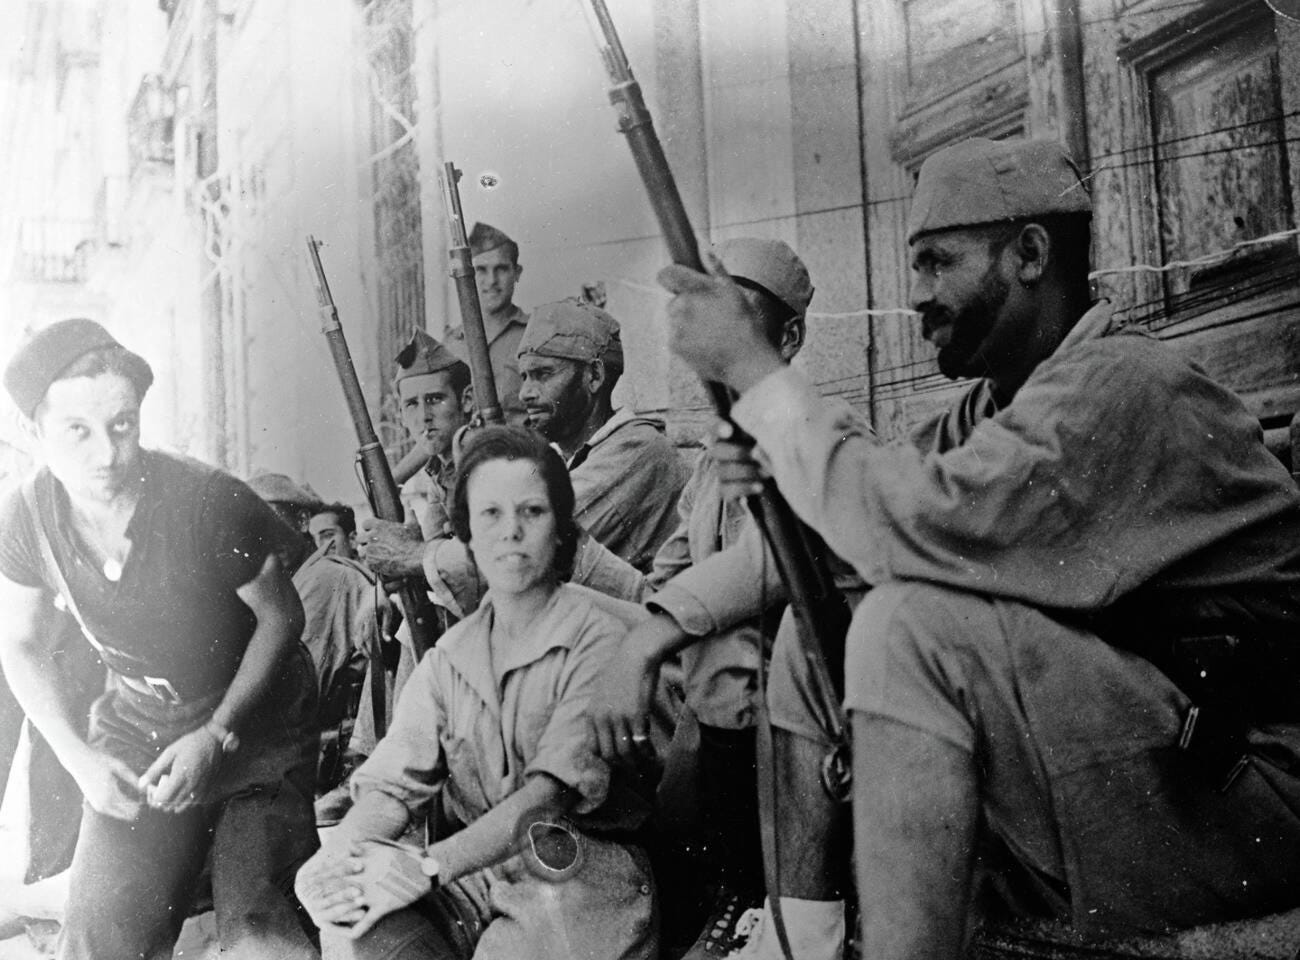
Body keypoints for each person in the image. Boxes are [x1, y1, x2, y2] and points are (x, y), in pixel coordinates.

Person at [660, 136, 1300, 959]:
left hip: (1246, 788)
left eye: (938, 263)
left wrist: (757, 372)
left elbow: (905, 519)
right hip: (1145, 762)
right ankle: (801, 939)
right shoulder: (992, 408)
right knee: (820, 621)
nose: (917, 296)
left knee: (909, 630)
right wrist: (776, 472)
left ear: (1031, 253)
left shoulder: (1127, 387)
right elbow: (848, 534)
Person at [0, 318, 320, 959]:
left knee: (260, 930)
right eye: (77, 432)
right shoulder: (27, 515)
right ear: (35, 434)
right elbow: (22, 644)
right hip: (139, 730)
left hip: (255, 725)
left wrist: (218, 732)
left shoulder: (208, 501)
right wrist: (82, 761)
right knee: (98, 937)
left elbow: (283, 618)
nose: (106, 455)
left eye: (122, 426)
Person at [294, 425, 659, 960]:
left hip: (579, 874)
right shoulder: (451, 657)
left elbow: (546, 798)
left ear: (562, 531)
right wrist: (337, 861)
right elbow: (393, 786)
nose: (510, 532)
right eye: (490, 515)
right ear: (463, 537)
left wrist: (427, 867)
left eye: (531, 512)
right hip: (477, 873)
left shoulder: (598, 637)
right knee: (360, 923)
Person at [585, 238, 854, 960]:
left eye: (745, 322)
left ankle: (749, 894)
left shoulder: (826, 429)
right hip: (723, 690)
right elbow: (669, 573)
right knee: (589, 632)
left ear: (789, 338)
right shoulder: (713, 456)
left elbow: (775, 561)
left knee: (720, 648)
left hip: (809, 674)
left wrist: (654, 636)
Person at [351, 330, 473, 757]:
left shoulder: (479, 461)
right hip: (461, 604)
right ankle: (373, 761)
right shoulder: (441, 469)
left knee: (411, 621)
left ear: (467, 402)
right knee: (394, 612)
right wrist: (380, 592)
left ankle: (394, 764)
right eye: (412, 405)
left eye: (435, 401)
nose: (424, 417)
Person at [517, 298, 688, 573]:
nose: (525, 393)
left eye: (543, 374)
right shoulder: (565, 457)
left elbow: (525, 544)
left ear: (594, 375)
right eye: (523, 377)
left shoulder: (636, 451)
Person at [445, 222, 529, 426]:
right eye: (480, 270)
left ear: (516, 273)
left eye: (501, 269)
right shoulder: (451, 344)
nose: (491, 280)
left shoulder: (534, 335)